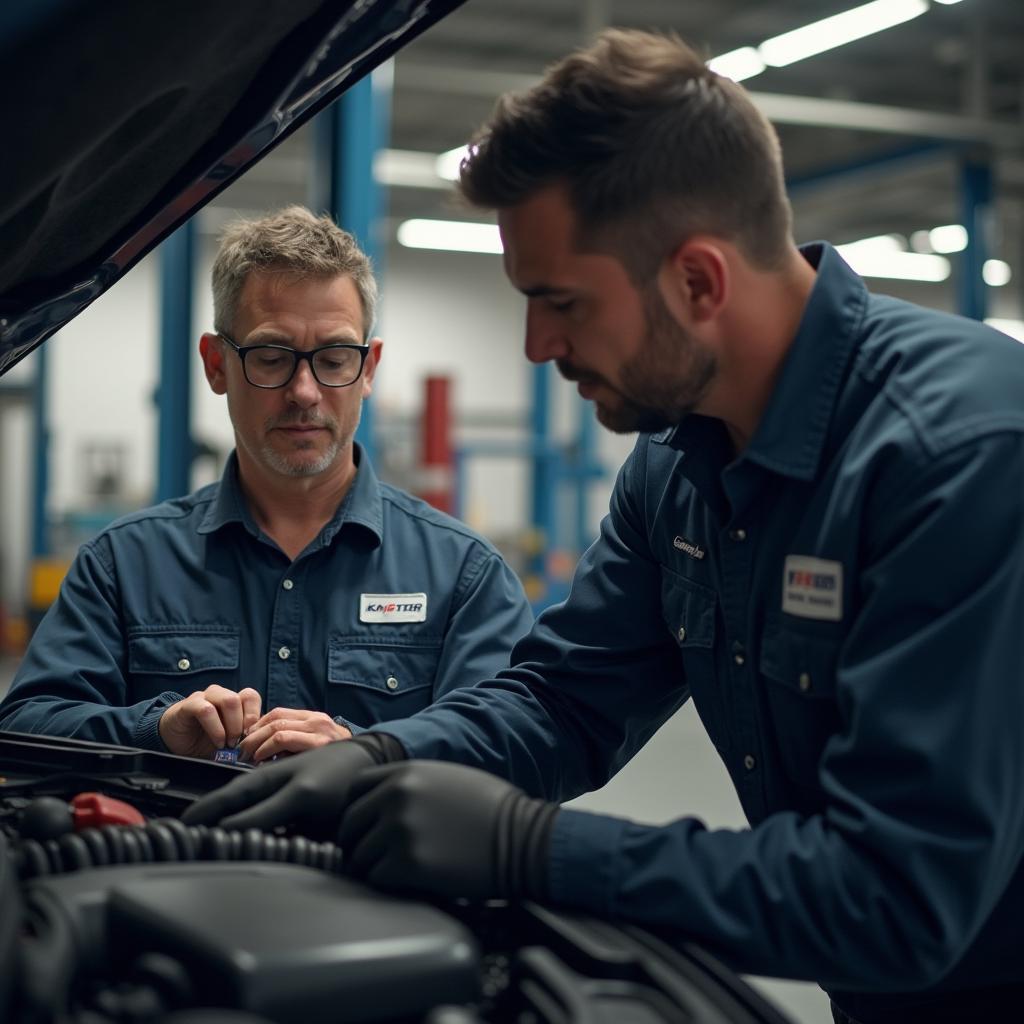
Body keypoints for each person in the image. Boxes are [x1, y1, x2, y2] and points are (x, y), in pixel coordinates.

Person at [183, 32, 1024, 1024]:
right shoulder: (678, 463)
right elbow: (568, 698)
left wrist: (530, 848)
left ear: (698, 282)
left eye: (559, 303)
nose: (537, 346)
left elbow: (896, 895)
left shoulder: (958, 454)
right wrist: (381, 757)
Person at [0, 206, 533, 763]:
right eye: (272, 357)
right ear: (216, 365)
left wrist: (373, 754)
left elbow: (514, 752)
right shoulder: (124, 565)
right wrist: (154, 730)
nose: (304, 391)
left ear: (368, 368)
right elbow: (25, 726)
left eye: (332, 358)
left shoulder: (463, 576)